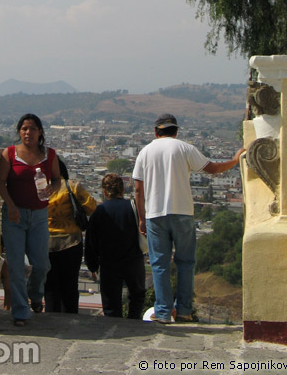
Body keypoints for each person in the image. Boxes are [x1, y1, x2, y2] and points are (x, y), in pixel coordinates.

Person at [132, 113, 245, 324]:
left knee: (159, 264)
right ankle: (184, 310)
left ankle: (163, 311)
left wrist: (141, 217)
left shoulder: (145, 152)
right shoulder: (184, 148)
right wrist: (235, 160)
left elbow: (138, 189)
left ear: (156, 132)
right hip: (183, 212)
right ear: (176, 131)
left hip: (155, 214)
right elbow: (211, 168)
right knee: (185, 262)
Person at [0, 113, 61, 326]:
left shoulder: (49, 155)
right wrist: (11, 206)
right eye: (24, 128)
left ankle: (36, 295)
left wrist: (53, 188)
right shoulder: (10, 154)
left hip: (40, 215)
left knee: (41, 263)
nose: (28, 132)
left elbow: (58, 179)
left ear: (40, 132)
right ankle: (21, 311)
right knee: (15, 266)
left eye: (32, 128)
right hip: (15, 215)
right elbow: (0, 183)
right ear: (19, 132)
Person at [85, 173, 145, 318]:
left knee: (111, 307)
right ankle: (134, 324)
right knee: (137, 298)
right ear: (123, 190)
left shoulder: (99, 212)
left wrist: (92, 266)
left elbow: (91, 242)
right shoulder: (133, 208)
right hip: (134, 261)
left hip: (109, 264)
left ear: (104, 192)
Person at [44, 157, 97, 313]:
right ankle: (70, 317)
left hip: (47, 244)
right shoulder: (72, 186)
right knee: (70, 284)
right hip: (71, 242)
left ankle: (51, 317)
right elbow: (92, 207)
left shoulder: (40, 188)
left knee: (51, 286)